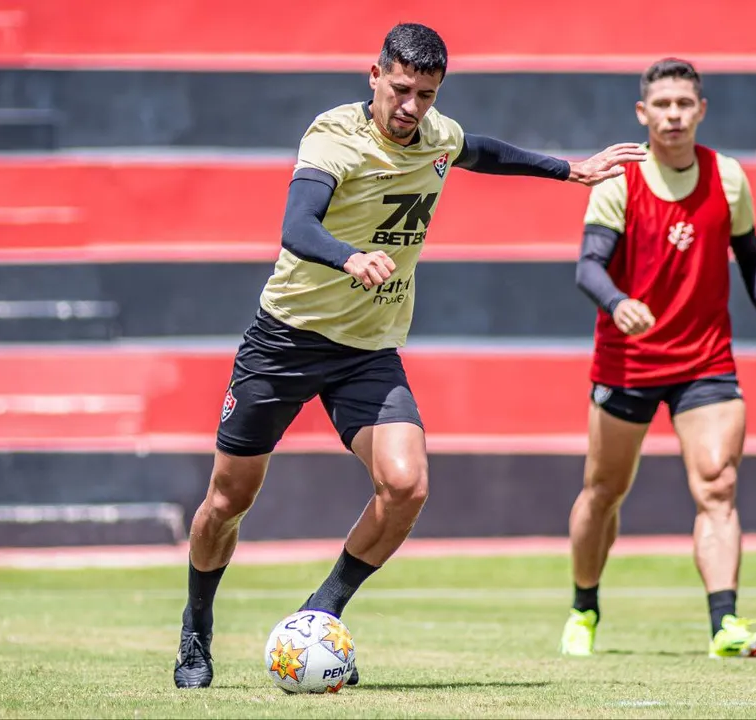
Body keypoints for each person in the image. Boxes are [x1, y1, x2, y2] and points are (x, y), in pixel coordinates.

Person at [173, 22, 647, 689]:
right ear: (374, 76)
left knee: (406, 485)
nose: (410, 107)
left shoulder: (436, 136)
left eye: (425, 94)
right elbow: (296, 226)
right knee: (228, 498)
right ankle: (196, 630)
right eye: (400, 89)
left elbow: (477, 150)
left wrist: (567, 168)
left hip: (367, 349)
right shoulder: (334, 138)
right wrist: (349, 256)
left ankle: (321, 611)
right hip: (285, 339)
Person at [560, 58, 756, 659]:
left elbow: (753, 258)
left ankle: (726, 624)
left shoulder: (728, 177)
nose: (673, 115)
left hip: (705, 361)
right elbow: (588, 266)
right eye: (661, 105)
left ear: (700, 110)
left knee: (718, 484)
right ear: (643, 113)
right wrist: (617, 303)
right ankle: (583, 609)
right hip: (628, 362)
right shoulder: (621, 179)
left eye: (683, 104)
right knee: (603, 490)